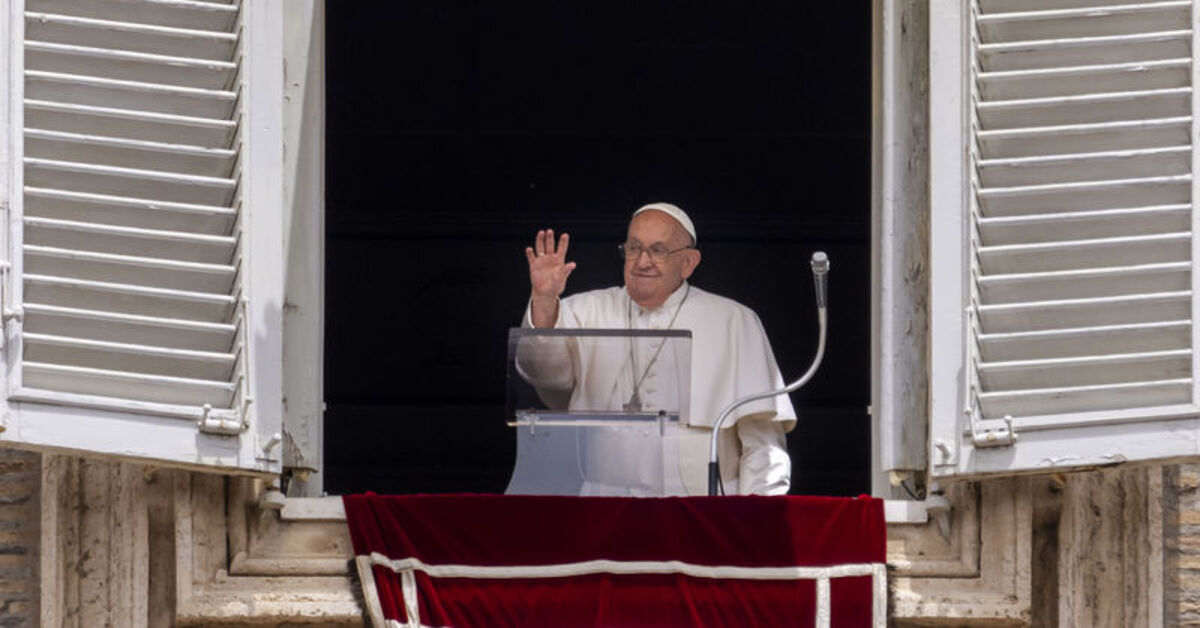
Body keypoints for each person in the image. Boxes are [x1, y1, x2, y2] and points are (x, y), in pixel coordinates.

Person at [521, 202, 795, 496]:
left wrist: (755, 517)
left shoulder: (734, 321)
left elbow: (763, 444)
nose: (642, 261)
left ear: (689, 263)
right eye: (634, 248)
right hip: (604, 505)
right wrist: (545, 300)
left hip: (703, 509)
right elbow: (544, 375)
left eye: (658, 250)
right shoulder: (584, 310)